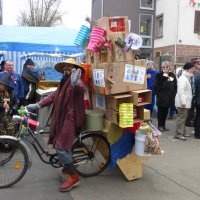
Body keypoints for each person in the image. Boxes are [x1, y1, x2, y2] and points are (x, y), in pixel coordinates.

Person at [26, 58, 85, 192]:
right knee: (62, 144)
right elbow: (54, 96)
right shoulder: (64, 81)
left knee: (60, 147)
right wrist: (38, 104)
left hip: (71, 118)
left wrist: (76, 84)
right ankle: (69, 162)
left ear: (75, 69)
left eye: (69, 66)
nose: (66, 68)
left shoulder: (77, 81)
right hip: (62, 117)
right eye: (65, 66)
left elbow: (80, 89)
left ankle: (74, 177)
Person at [154, 61, 177, 132]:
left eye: (167, 67)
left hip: (169, 98)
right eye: (164, 67)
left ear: (169, 67)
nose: (165, 68)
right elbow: (156, 86)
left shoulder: (172, 75)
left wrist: (174, 93)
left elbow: (174, 84)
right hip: (161, 97)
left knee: (166, 112)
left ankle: (163, 125)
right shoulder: (159, 75)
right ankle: (160, 126)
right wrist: (158, 94)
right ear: (162, 68)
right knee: (161, 112)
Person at [175, 62, 195, 140]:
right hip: (182, 102)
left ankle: (182, 132)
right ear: (187, 69)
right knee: (181, 118)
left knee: (184, 117)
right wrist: (183, 102)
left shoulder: (187, 77)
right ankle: (178, 134)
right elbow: (181, 91)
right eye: (191, 69)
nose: (193, 70)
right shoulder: (183, 78)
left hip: (185, 101)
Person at [0, 71, 19, 136]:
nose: (0, 86)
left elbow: (16, 102)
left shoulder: (11, 93)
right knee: (2, 134)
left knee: (11, 132)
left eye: (1, 84)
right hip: (1, 116)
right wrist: (2, 105)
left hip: (9, 116)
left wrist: (13, 108)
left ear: (5, 85)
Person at [185, 58, 200, 127]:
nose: (198, 65)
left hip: (194, 95)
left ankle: (191, 121)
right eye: (197, 64)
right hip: (191, 94)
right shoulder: (192, 73)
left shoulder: (196, 72)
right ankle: (187, 122)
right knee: (189, 110)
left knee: (193, 111)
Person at [193, 58, 200, 139]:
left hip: (197, 99)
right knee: (198, 116)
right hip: (198, 98)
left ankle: (197, 133)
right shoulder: (198, 75)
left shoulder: (197, 74)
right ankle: (198, 134)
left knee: (197, 116)